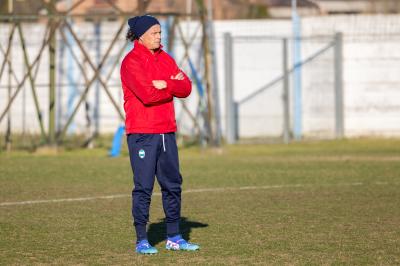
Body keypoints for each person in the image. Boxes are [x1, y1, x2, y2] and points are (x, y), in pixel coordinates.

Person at [120, 15, 199, 254]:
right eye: (154, 33)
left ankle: (174, 237)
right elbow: (148, 95)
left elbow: (186, 88)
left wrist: (165, 83)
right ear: (141, 35)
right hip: (142, 133)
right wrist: (169, 84)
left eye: (160, 32)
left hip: (167, 131)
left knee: (173, 185)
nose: (159, 36)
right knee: (143, 187)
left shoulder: (166, 59)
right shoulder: (131, 62)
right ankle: (141, 239)